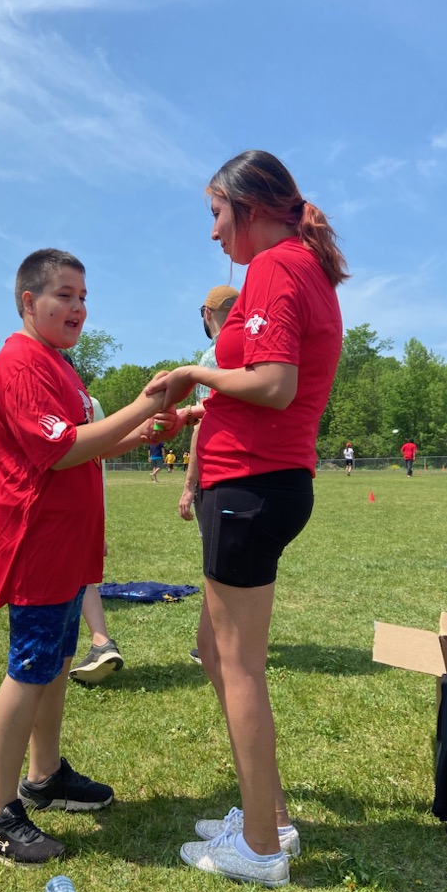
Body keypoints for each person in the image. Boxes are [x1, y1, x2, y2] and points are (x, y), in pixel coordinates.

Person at [146, 150, 347, 887]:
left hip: (251, 488)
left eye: (215, 214)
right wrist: (211, 404)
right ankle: (273, 818)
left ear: (251, 207)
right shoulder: (301, 265)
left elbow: (274, 381)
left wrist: (197, 373)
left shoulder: (275, 266)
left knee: (237, 668)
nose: (212, 233)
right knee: (221, 653)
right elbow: (270, 387)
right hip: (260, 478)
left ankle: (259, 847)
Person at [0, 248, 166, 866]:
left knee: (56, 660)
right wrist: (146, 403)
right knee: (29, 665)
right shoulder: (21, 362)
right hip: (38, 541)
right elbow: (61, 449)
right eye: (64, 296)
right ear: (29, 301)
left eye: (83, 297)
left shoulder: (58, 364)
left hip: (67, 542)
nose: (78, 307)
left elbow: (84, 445)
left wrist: (147, 429)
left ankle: (44, 776)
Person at [179, 284, 240, 665]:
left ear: (207, 313)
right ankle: (218, 641)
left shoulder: (211, 355)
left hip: (220, 471)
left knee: (216, 564)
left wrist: (188, 485)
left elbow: (206, 423)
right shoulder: (255, 344)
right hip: (257, 468)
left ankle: (215, 645)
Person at [69, 394, 124, 686]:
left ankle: (99, 642)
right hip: (86, 505)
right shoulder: (90, 401)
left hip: (55, 509)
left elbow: (95, 455)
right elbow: (100, 459)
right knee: (80, 577)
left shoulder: (43, 392)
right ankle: (101, 641)